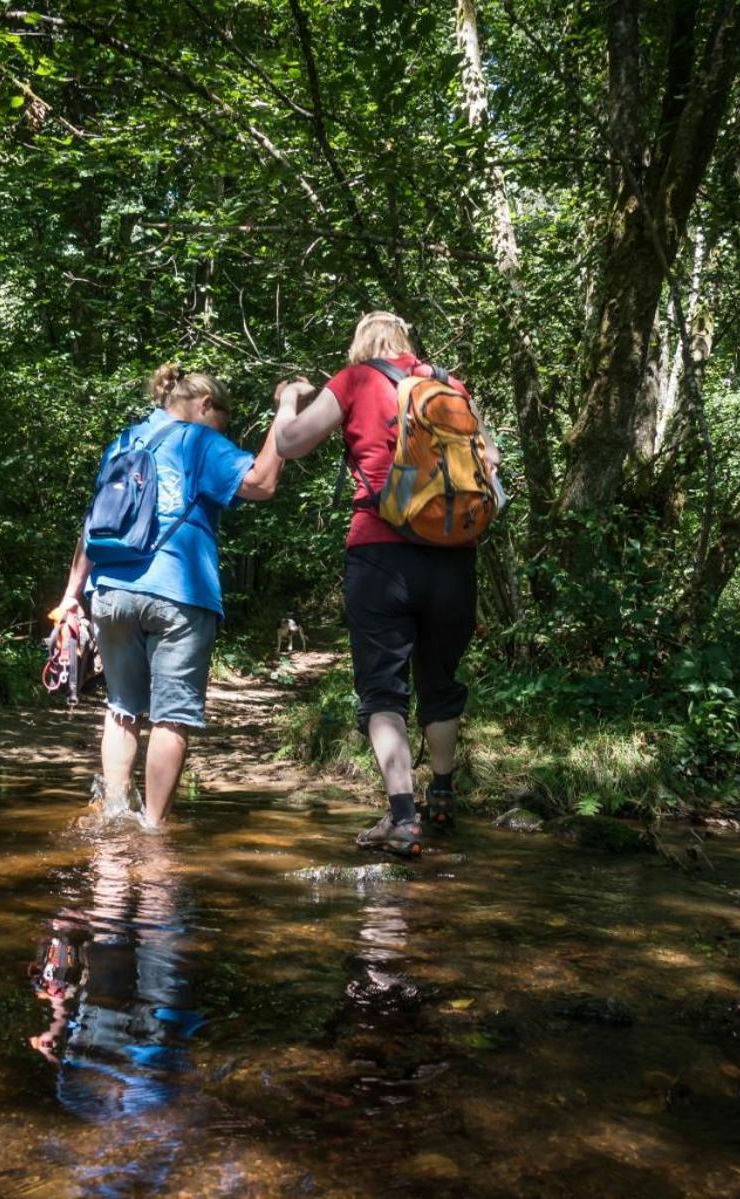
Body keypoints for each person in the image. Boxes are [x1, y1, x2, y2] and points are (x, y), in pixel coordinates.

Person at [273, 312, 489, 855]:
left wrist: (286, 401)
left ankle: (402, 818)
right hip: (455, 557)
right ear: (407, 340)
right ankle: (442, 796)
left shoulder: (355, 380)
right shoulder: (450, 385)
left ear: (361, 344)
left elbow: (292, 442)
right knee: (441, 681)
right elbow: (491, 462)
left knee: (383, 691)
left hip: (381, 553)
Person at [55, 363, 296, 829]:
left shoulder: (123, 442)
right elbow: (262, 482)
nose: (220, 432)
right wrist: (285, 411)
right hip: (178, 594)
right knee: (172, 716)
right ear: (206, 405)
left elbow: (92, 525)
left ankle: (114, 814)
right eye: (222, 422)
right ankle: (152, 829)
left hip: (112, 593)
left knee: (121, 707)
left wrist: (71, 595)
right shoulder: (197, 439)